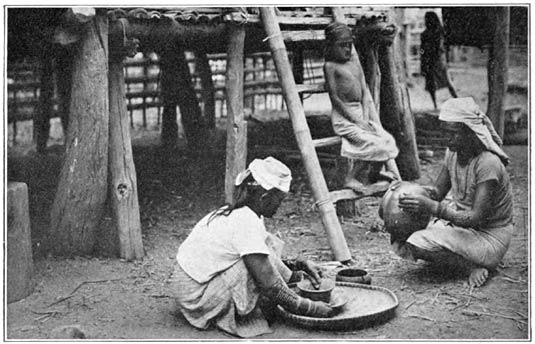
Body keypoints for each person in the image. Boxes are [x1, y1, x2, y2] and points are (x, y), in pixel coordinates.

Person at [170, 157, 334, 338]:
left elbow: (265, 255)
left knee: (265, 244)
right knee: (253, 268)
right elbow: (270, 286)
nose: (281, 206)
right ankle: (224, 312)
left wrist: (299, 264)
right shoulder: (244, 223)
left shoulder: (248, 213)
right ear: (264, 197)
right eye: (280, 200)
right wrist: (308, 307)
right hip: (194, 294)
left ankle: (292, 280)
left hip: (193, 282)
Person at [393, 97, 513, 288]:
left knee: (417, 243)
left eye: (453, 134)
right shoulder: (453, 153)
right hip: (462, 227)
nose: (447, 139)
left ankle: (472, 266)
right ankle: (465, 259)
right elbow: (436, 192)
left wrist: (433, 207)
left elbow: (475, 218)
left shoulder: (488, 163)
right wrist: (407, 193)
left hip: (489, 236)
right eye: (445, 133)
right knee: (404, 237)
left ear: (471, 133)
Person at [323, 22, 400, 191]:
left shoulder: (354, 62)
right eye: (342, 46)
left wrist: (365, 118)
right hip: (344, 119)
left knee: (387, 140)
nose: (347, 50)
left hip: (361, 113)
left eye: (349, 45)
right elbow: (335, 98)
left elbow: (365, 91)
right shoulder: (330, 66)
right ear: (331, 46)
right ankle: (349, 178)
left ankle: (375, 173)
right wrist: (356, 121)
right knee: (373, 143)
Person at [420, 11, 458, 109]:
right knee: (436, 83)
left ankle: (454, 100)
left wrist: (424, 58)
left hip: (435, 60)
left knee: (444, 81)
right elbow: (422, 49)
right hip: (434, 60)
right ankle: (436, 104)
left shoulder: (436, 33)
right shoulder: (429, 34)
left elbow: (437, 48)